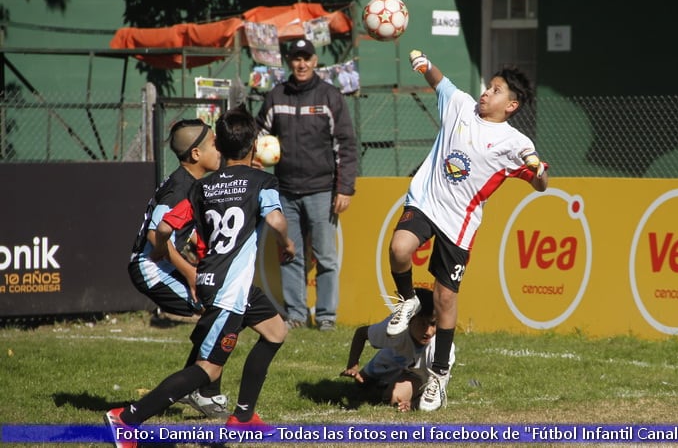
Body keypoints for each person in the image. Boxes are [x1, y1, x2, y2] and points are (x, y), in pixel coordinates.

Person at [105, 107, 296, 448]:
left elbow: (163, 228)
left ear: (220, 146)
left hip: (219, 281)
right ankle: (128, 419)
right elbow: (278, 222)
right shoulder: (262, 181)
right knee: (207, 369)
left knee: (275, 330)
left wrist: (165, 248)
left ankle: (243, 417)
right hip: (227, 290)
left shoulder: (201, 187)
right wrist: (287, 243)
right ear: (254, 145)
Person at [384, 49, 549, 412]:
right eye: (488, 87)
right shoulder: (460, 105)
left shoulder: (515, 143)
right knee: (399, 249)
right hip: (426, 202)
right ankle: (408, 299)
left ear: (511, 106)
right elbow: (439, 81)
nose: (486, 93)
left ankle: (439, 374)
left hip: (459, 225)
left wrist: (538, 173)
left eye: (496, 90)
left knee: (445, 299)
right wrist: (425, 63)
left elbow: (540, 181)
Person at [127, 118, 229, 419]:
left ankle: (196, 385)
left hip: (159, 264)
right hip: (150, 268)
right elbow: (156, 234)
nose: (219, 148)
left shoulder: (190, 182)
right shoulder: (180, 186)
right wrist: (189, 272)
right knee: (219, 309)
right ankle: (199, 389)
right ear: (196, 154)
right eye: (213, 143)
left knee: (217, 311)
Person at [255, 38, 358, 332]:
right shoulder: (276, 96)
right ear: (290, 62)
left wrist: (345, 188)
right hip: (285, 191)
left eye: (306, 58)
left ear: (315, 62)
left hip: (322, 191)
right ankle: (297, 315)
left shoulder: (330, 96)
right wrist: (256, 157)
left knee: (325, 258)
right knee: (290, 254)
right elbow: (259, 135)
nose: (301, 64)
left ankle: (326, 317)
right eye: (296, 58)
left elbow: (346, 146)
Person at [340, 288, 455, 412]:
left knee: (393, 398)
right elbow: (361, 334)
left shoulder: (442, 348)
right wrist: (353, 365)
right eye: (422, 324)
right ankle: (384, 383)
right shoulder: (395, 329)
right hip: (395, 357)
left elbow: (439, 391)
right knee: (360, 383)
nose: (428, 332)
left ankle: (393, 388)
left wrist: (413, 404)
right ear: (409, 320)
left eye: (433, 324)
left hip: (419, 375)